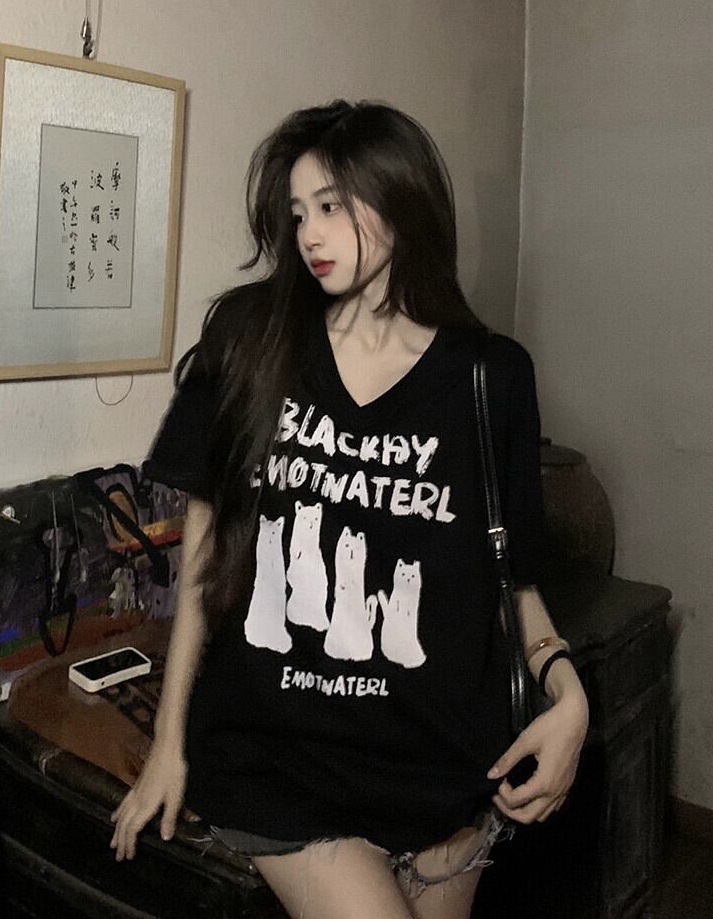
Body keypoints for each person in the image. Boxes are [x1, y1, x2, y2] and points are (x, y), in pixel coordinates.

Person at [110, 100, 589, 919]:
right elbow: (207, 551)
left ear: (399, 200)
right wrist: (170, 743)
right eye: (299, 213)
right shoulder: (250, 340)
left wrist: (570, 697)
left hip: (445, 764)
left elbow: (511, 579)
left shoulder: (491, 377)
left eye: (331, 206)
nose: (310, 234)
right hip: (281, 761)